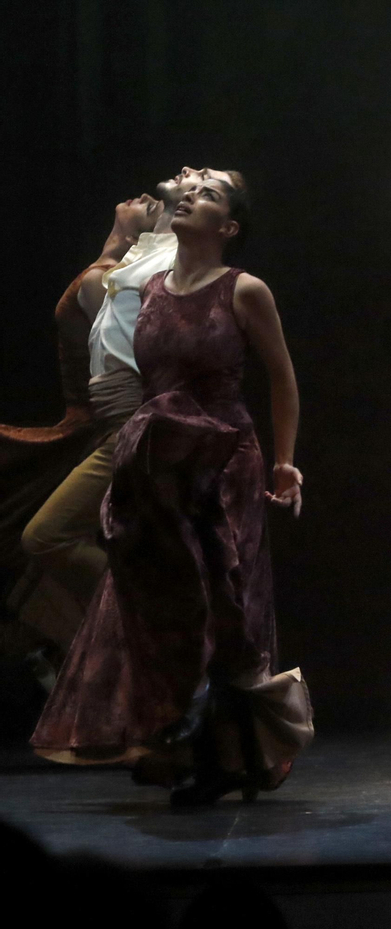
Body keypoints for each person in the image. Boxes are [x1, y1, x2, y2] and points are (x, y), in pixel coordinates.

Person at [31, 171, 313, 806]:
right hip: (158, 461)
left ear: (228, 227)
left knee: (226, 603)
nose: (190, 196)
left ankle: (230, 755)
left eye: (208, 195)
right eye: (191, 190)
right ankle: (184, 746)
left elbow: (282, 378)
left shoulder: (244, 289)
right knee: (172, 599)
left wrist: (285, 462)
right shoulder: (152, 288)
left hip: (223, 460)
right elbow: (91, 319)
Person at [7, 174, 217, 673]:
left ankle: (160, 620)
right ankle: (97, 656)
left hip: (136, 422)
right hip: (106, 423)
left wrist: (115, 243)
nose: (187, 177)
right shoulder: (143, 256)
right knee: (55, 554)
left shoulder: (169, 263)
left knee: (47, 537)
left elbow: (108, 307)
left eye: (207, 185)